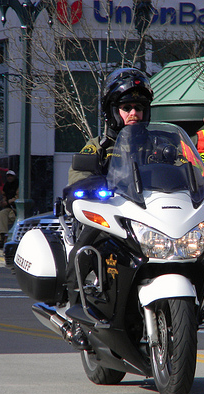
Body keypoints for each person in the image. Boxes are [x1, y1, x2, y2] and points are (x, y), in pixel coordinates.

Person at [65, 67, 154, 350]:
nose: (134, 114)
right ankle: (75, 309)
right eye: (126, 107)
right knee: (84, 248)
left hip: (151, 221)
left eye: (139, 108)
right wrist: (86, 189)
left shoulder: (161, 146)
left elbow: (186, 170)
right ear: (113, 111)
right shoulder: (99, 147)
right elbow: (77, 179)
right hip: (111, 221)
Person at [0, 170, 19, 248]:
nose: (9, 177)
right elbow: (4, 196)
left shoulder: (18, 185)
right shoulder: (6, 186)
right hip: (9, 208)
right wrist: (3, 202)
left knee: (10, 216)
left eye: (11, 176)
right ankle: (2, 238)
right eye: (8, 176)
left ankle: (9, 239)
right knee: (2, 213)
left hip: (17, 209)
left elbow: (19, 197)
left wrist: (9, 201)